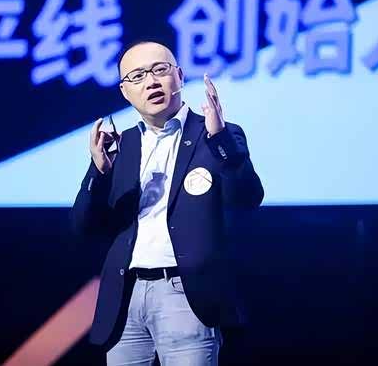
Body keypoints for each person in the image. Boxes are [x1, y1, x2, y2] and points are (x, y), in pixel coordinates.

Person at [71, 40, 264, 365]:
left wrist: (219, 140)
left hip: (185, 294)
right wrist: (99, 172)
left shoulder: (216, 134)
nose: (151, 82)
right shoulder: (122, 145)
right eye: (137, 76)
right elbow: (84, 226)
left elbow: (248, 198)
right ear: (125, 92)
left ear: (180, 76)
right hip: (125, 296)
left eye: (160, 70)